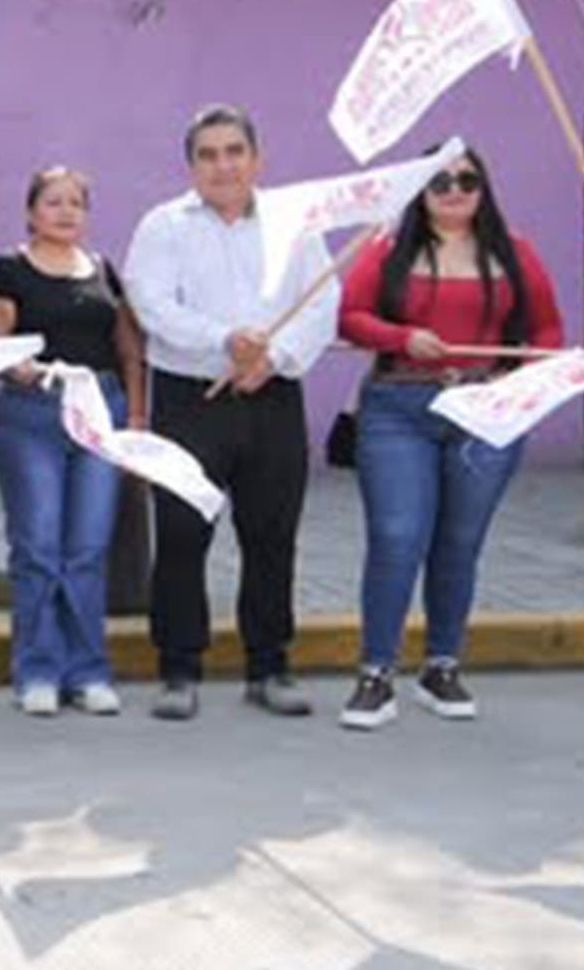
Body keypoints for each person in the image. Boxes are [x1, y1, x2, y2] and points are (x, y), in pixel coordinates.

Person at [337, 146, 562, 730]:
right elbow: (350, 315)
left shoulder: (514, 251)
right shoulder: (388, 247)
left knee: (460, 541)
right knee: (396, 537)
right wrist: (402, 337)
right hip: (399, 406)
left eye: (467, 180)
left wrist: (529, 371)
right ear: (419, 191)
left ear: (484, 188)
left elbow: (547, 327)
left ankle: (442, 666)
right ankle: (376, 673)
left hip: (485, 409)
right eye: (439, 182)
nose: (455, 190)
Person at [123, 105, 337, 720]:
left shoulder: (295, 225)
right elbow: (150, 303)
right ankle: (178, 668)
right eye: (208, 154)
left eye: (234, 151)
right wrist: (224, 340)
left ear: (256, 158)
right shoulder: (164, 226)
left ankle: (269, 665)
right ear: (191, 165)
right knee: (182, 534)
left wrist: (275, 357)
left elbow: (323, 301)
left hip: (272, 394)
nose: (223, 165)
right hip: (191, 396)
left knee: (271, 535)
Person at [0, 166, 146, 718]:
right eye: (53, 202)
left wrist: (135, 418)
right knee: (38, 545)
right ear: (31, 212)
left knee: (89, 548)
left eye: (76, 202)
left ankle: (88, 670)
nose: (65, 211)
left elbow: (129, 350)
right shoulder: (8, 269)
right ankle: (37, 670)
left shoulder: (103, 270)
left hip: (101, 411)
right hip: (34, 413)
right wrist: (19, 369)